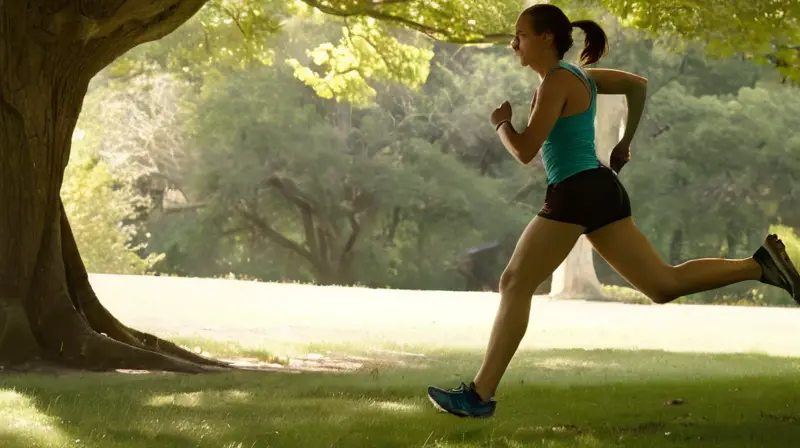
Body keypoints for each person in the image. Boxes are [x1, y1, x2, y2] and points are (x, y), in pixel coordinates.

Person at [426, 3, 800, 418]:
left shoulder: (556, 81)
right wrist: (624, 144)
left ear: (547, 38)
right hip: (600, 189)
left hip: (576, 191)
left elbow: (525, 149)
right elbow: (637, 85)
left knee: (514, 282)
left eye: (522, 35)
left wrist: (501, 124)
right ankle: (758, 265)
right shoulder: (579, 77)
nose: (515, 43)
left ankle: (478, 396)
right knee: (662, 285)